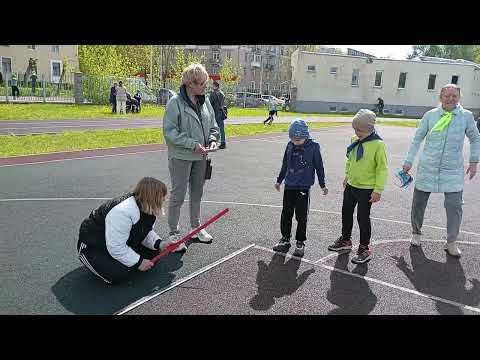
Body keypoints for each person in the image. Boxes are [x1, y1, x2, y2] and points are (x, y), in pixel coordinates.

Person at [402, 84, 480, 257]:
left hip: (452, 169)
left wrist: (474, 161)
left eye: (455, 96)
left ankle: (451, 241)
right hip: (428, 166)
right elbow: (417, 139)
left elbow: (475, 138)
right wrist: (408, 162)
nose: (451, 99)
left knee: (454, 205)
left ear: (459, 97)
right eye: (447, 96)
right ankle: (416, 232)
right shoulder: (430, 115)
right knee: (418, 203)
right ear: (440, 97)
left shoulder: (466, 116)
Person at [163, 63, 220, 252]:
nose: (206, 86)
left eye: (206, 82)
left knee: (197, 193)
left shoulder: (206, 102)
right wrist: (191, 144)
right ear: (190, 84)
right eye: (202, 83)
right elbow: (169, 133)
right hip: (181, 156)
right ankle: (174, 233)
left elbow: (214, 126)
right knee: (178, 195)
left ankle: (196, 228)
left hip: (201, 157)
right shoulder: (175, 103)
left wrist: (212, 140)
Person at [76, 177, 172, 284]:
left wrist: (160, 244)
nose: (164, 200)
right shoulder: (122, 212)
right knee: (118, 274)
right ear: (152, 198)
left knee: (154, 252)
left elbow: (144, 232)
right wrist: (139, 262)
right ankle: (94, 262)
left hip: (115, 242)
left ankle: (124, 261)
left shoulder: (146, 208)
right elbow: (116, 247)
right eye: (162, 197)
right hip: (94, 246)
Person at [327, 109, 388, 264]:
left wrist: (378, 190)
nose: (357, 132)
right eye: (355, 129)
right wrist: (347, 175)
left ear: (370, 128)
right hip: (351, 186)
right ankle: (346, 241)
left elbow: (382, 168)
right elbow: (350, 160)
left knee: (363, 217)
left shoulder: (378, 145)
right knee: (346, 213)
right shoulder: (355, 139)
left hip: (367, 189)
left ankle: (364, 248)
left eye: (360, 130)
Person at [273, 119, 328, 257]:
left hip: (303, 186)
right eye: (293, 139)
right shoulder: (289, 145)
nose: (295, 142)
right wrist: (279, 181)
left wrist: (322, 184)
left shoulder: (314, 147)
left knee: (301, 216)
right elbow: (285, 164)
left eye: (299, 139)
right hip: (290, 186)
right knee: (286, 213)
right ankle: (285, 239)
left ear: (306, 136)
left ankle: (300, 241)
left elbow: (319, 166)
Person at [209, 81, 227, 149]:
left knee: (214, 128)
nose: (212, 87)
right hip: (221, 112)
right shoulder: (222, 93)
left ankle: (214, 142)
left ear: (215, 86)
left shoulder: (213, 94)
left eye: (213, 85)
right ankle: (223, 142)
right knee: (221, 128)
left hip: (215, 112)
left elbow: (210, 103)